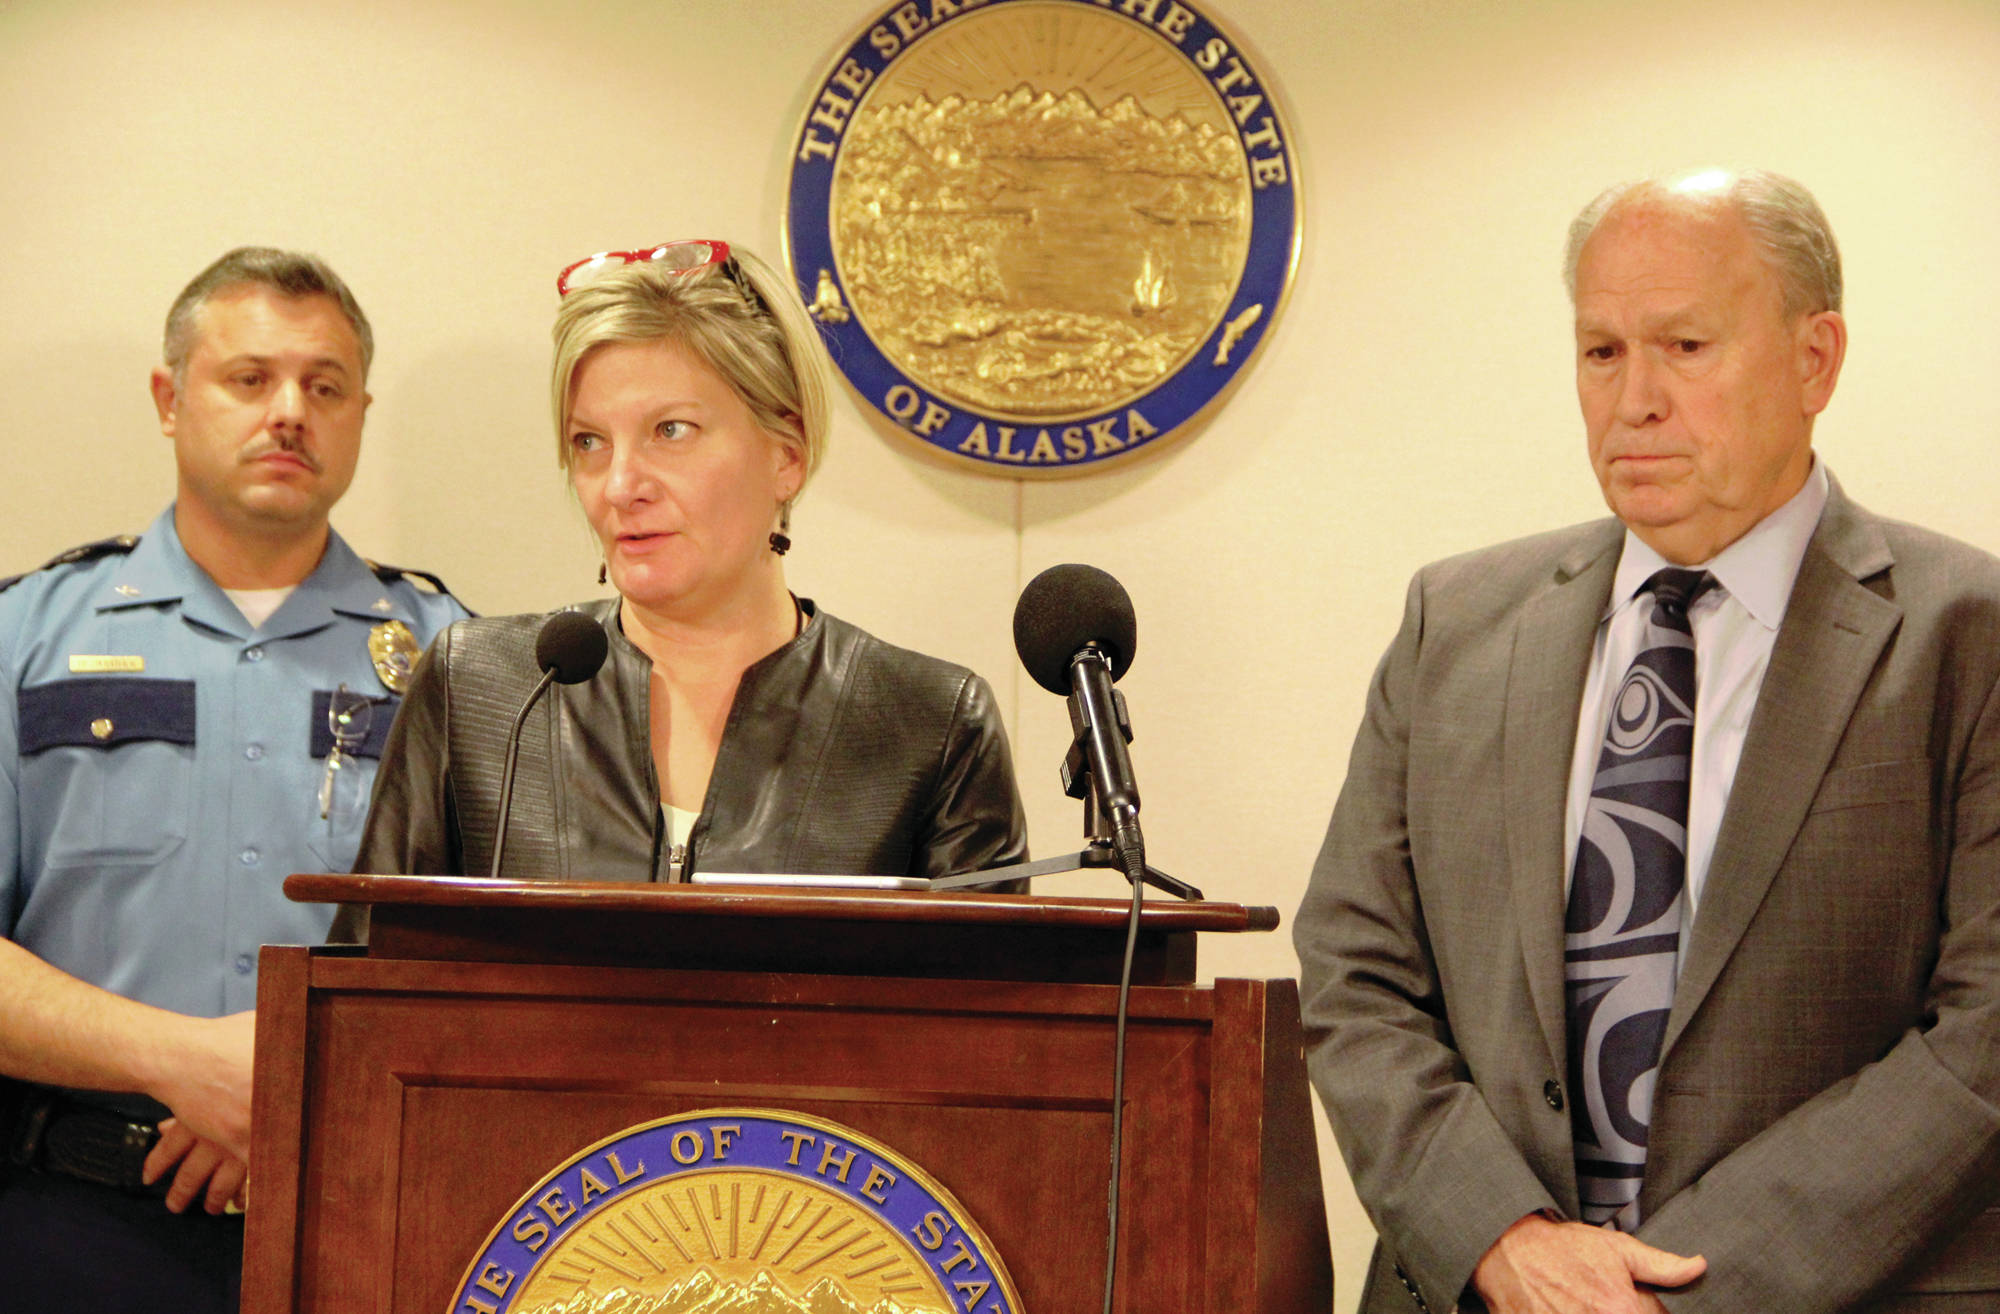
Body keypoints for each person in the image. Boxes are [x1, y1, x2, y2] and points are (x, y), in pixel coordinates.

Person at [1294, 170, 2000, 1313]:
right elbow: (1353, 970)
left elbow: (1983, 1033)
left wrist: (1675, 1294)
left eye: (1683, 346)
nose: (1634, 401)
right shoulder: (1452, 624)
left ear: (1813, 360)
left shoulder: (1965, 634)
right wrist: (1500, 1236)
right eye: (1600, 352)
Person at [0, 247, 468, 1311]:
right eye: (249, 379)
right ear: (169, 400)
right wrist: (181, 1062)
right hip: (75, 1227)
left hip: (374, 1223)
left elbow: (497, 966)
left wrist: (296, 1092)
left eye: (325, 386)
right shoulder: (23, 640)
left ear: (360, 415)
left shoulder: (453, 660)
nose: (290, 412)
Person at [349, 240, 1026, 888]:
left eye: (670, 430)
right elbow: (365, 961)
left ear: (786, 455)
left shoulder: (930, 725)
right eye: (589, 442)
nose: (620, 486)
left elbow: (982, 974)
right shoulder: (477, 690)